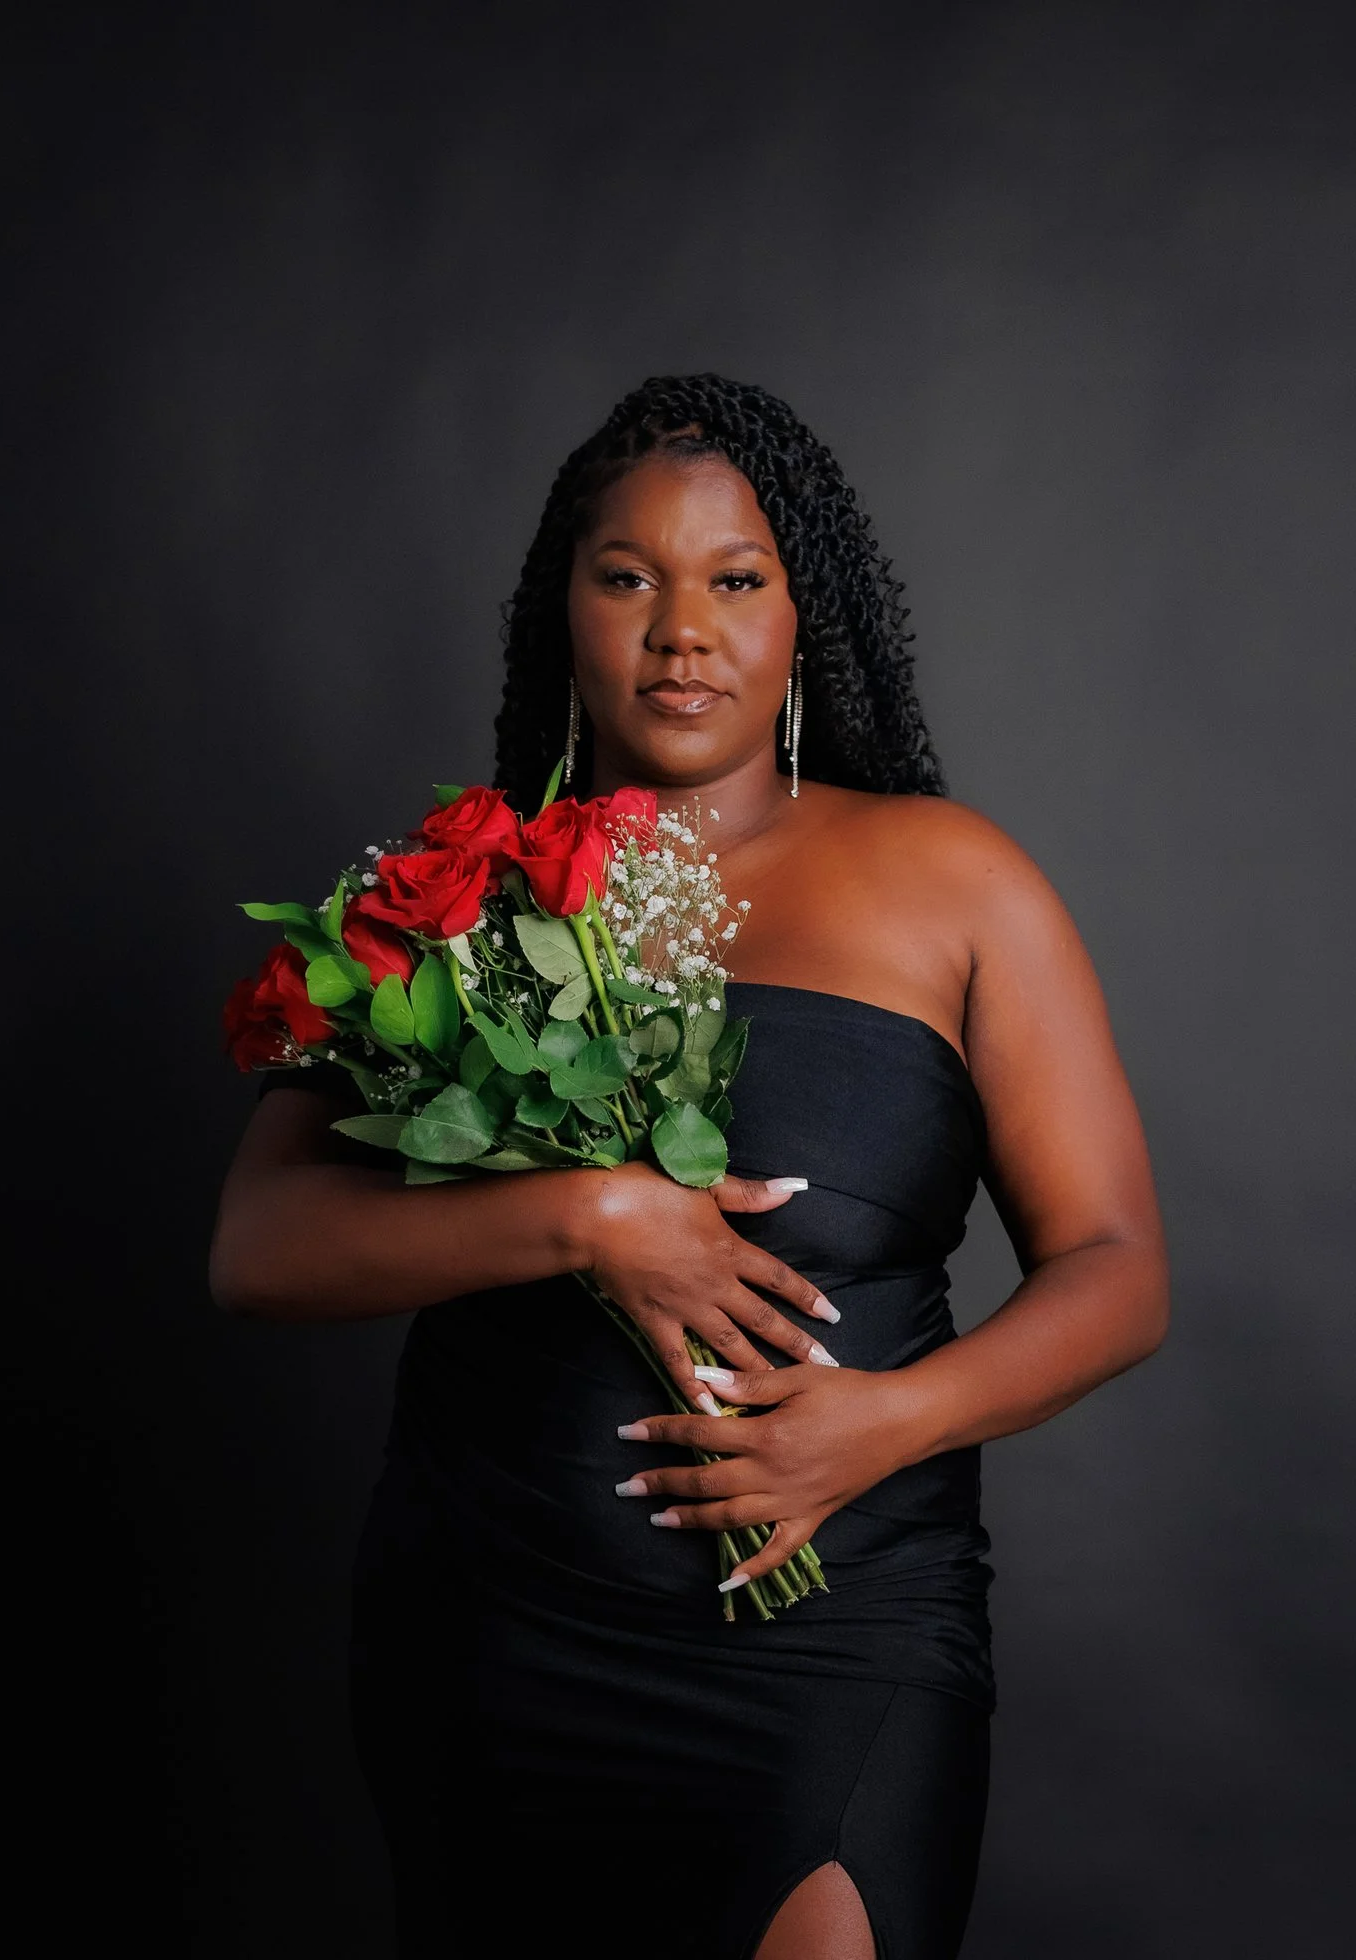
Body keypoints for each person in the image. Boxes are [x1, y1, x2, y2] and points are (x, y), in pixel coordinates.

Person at [210, 375, 1167, 1959]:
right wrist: (588, 1216)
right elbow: (260, 1249)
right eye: (627, 577)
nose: (682, 630)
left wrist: (877, 1427)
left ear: (804, 618)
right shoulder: (463, 899)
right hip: (490, 1628)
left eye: (736, 580)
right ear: (562, 610)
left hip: (835, 1633)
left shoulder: (954, 882)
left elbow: (1119, 1269)